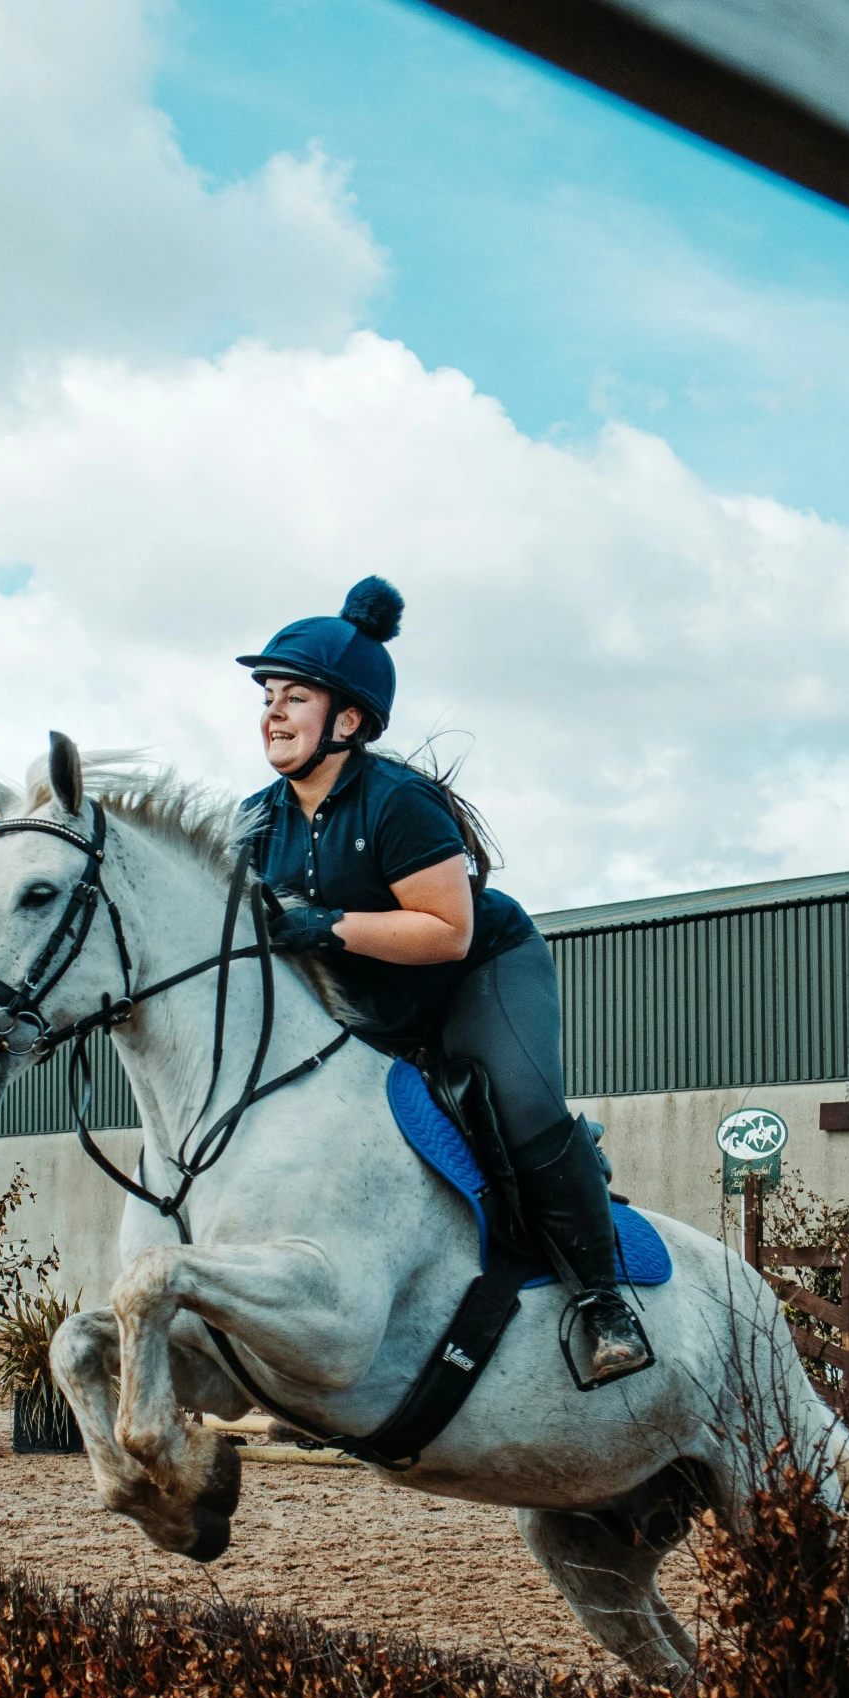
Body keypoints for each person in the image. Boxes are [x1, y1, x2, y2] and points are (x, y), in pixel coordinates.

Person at [236, 576, 651, 1387]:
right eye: (267, 698)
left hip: (478, 972)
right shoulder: (254, 821)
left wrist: (328, 926)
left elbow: (446, 931)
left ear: (347, 721)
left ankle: (602, 1303)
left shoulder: (397, 802)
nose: (272, 714)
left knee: (518, 1105)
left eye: (294, 698)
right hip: (371, 1002)